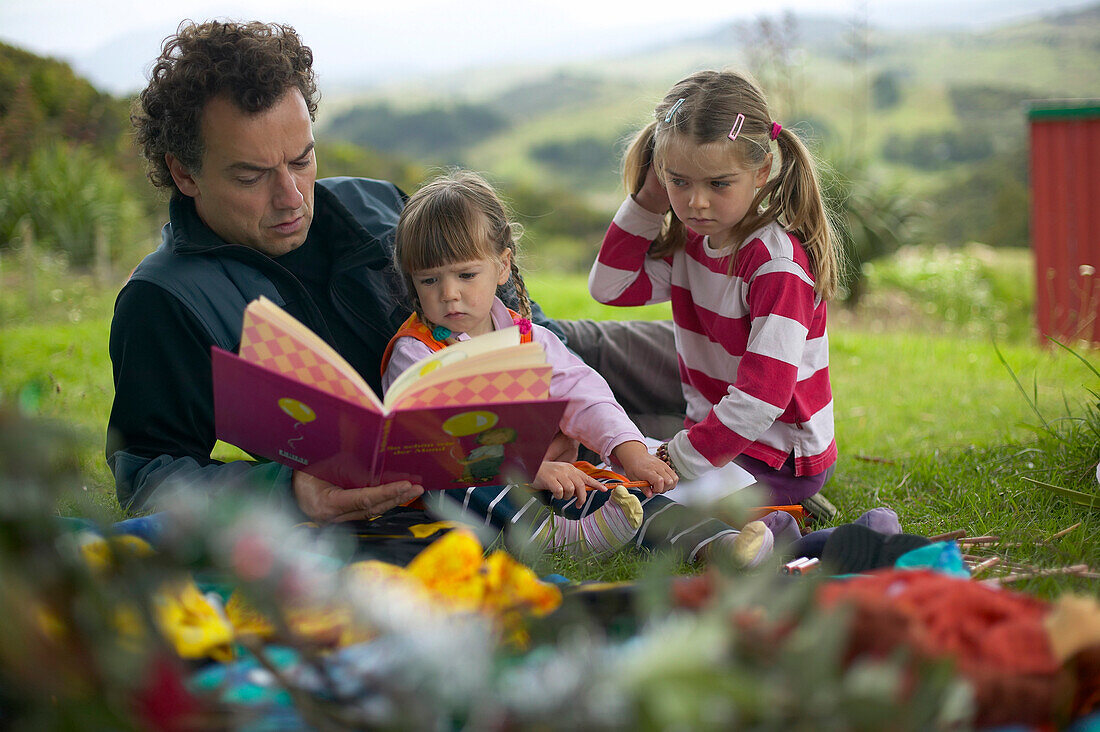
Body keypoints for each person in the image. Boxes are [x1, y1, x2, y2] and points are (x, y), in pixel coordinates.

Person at [106, 20, 576, 525]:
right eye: (251, 176)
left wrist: (555, 412)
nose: (291, 198)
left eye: (302, 160)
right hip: (433, 505)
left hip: (532, 415)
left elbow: (522, 318)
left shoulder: (376, 202)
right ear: (184, 173)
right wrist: (290, 490)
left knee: (653, 352)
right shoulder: (163, 299)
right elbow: (149, 478)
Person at [382, 170, 785, 565]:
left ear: (502, 266)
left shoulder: (528, 338)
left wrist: (626, 449)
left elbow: (582, 392)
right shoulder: (417, 351)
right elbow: (429, 440)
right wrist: (526, 466)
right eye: (430, 280)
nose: (449, 293)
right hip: (470, 495)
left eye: (466, 274)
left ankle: (719, 544)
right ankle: (555, 537)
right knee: (453, 476)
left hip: (547, 478)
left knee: (619, 491)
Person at [590, 70, 839, 506]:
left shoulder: (774, 266)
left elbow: (764, 397)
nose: (696, 202)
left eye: (718, 184)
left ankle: (778, 512)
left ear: (761, 171)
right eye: (679, 181)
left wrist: (677, 458)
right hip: (718, 441)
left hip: (777, 457)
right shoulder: (693, 243)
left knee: (643, 502)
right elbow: (611, 286)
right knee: (610, 456)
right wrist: (649, 199)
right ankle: (755, 506)